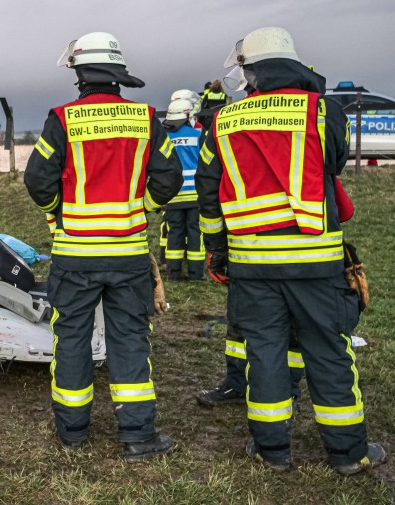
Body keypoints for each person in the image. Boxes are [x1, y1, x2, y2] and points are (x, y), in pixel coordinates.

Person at [195, 26, 385, 475]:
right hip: (315, 261)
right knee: (328, 350)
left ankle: (272, 450)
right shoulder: (323, 109)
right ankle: (348, 454)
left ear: (252, 72)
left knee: (263, 353)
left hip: (251, 263)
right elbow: (334, 162)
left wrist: (216, 252)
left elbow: (209, 192)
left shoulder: (224, 120)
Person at [24, 31, 182, 459]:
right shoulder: (146, 118)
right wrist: (141, 205)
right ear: (116, 74)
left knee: (71, 337)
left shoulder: (63, 119)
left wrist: (60, 212)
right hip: (128, 252)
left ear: (80, 75)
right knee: (130, 338)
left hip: (75, 252)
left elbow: (37, 181)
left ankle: (72, 432)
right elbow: (169, 179)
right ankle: (138, 435)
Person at [161, 99, 205, 281]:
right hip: (195, 194)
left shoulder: (165, 137)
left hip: (173, 194)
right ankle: (196, 273)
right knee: (195, 232)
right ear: (189, 115)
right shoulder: (197, 135)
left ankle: (174, 273)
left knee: (175, 232)